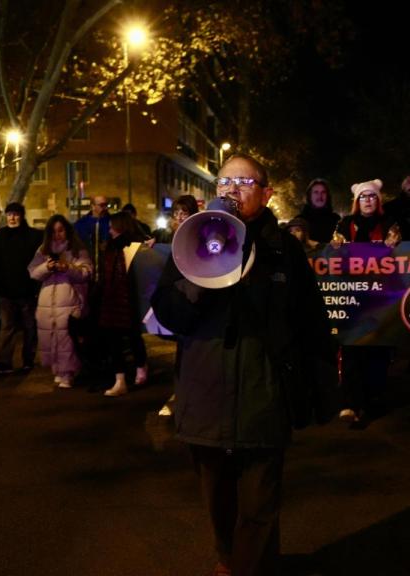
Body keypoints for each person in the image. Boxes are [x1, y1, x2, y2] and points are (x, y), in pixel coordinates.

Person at [151, 153, 333, 576]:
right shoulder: (191, 240)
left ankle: (249, 567)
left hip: (263, 396)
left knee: (260, 506)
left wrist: (318, 389)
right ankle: (228, 557)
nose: (231, 190)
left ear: (266, 194)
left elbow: (309, 322)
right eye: (224, 182)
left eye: (244, 182)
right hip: (206, 395)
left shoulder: (284, 249)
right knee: (218, 501)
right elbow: (168, 312)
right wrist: (200, 272)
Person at [332, 179, 400, 423]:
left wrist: (395, 244)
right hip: (352, 295)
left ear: (378, 200)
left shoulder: (389, 224)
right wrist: (335, 246)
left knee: (377, 352)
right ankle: (350, 402)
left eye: (372, 196)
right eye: (363, 197)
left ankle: (374, 401)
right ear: (356, 202)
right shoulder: (345, 225)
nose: (368, 200)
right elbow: (333, 253)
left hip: (380, 297)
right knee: (351, 349)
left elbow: (404, 253)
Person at [151, 194, 200, 417]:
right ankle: (180, 395)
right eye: (176, 213)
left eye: (184, 213)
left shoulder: (197, 234)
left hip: (191, 299)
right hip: (178, 298)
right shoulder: (167, 235)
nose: (180, 217)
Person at [29, 215, 92, 389]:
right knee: (51, 337)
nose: (57, 235)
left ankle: (68, 372)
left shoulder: (78, 250)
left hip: (69, 300)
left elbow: (86, 273)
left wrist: (68, 268)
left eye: (61, 230)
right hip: (48, 302)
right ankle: (57, 369)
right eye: (54, 231)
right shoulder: (43, 250)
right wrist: (46, 267)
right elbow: (33, 272)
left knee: (66, 339)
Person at [98, 212, 150, 397]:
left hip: (130, 299)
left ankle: (140, 368)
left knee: (132, 335)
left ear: (120, 226)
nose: (110, 230)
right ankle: (121, 379)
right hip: (113, 299)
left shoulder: (136, 246)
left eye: (112, 226)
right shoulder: (110, 248)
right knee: (115, 339)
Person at [0, 202, 44, 374]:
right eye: (9, 214)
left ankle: (28, 360)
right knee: (8, 327)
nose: (12, 217)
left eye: (15, 214)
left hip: (27, 290)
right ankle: (5, 361)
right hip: (6, 291)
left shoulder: (33, 237)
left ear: (21, 215)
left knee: (29, 327)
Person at [296, 178, 340, 243]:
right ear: (309, 196)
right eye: (316, 192)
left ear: (327, 196)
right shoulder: (299, 221)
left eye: (323, 192)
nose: (320, 196)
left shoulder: (336, 220)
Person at [73, 195, 111, 271]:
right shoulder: (81, 224)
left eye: (106, 205)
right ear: (93, 206)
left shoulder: (111, 222)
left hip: (106, 268)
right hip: (87, 266)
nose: (105, 208)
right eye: (102, 205)